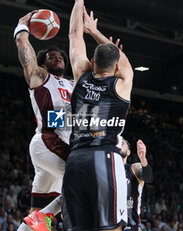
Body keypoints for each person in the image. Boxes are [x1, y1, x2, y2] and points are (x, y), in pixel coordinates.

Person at [61, 0, 134, 230]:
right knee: (112, 227)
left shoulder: (81, 75)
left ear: (92, 63)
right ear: (115, 68)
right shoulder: (121, 84)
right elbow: (126, 64)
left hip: (75, 161)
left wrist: (78, 2)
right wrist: (94, 31)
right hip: (104, 158)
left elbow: (73, 34)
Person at [13, 10, 73, 231]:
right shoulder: (40, 77)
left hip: (60, 145)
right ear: (42, 63)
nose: (58, 58)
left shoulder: (72, 84)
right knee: (81, 179)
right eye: (52, 56)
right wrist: (22, 27)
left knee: (39, 214)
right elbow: (23, 48)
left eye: (61, 57)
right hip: (48, 141)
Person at [121, 139, 153, 231]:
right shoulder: (107, 170)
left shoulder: (133, 168)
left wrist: (143, 159)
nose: (119, 144)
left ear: (128, 152)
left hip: (130, 226)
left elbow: (148, 178)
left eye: (122, 143)